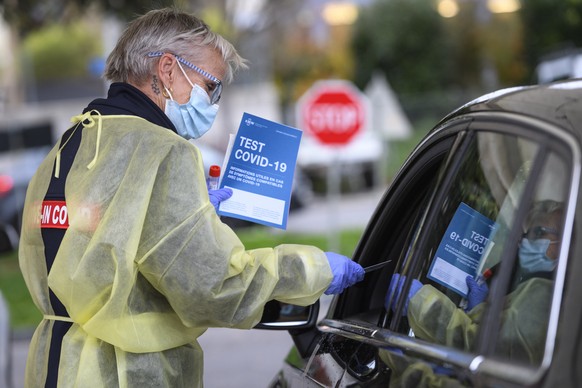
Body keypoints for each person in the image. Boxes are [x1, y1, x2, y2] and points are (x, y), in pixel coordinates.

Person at [18, 8, 364, 388]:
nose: (213, 102)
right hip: (123, 372)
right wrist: (313, 269)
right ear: (167, 70)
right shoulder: (164, 150)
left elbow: (96, 247)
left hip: (54, 364)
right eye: (210, 85)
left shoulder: (73, 141)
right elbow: (214, 288)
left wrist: (183, 218)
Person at [381, 200, 563, 386]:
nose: (525, 241)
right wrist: (481, 309)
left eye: (538, 233)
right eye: (526, 234)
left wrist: (420, 302)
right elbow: (503, 342)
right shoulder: (540, 286)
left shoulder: (549, 296)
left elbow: (483, 349)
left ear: (568, 241)